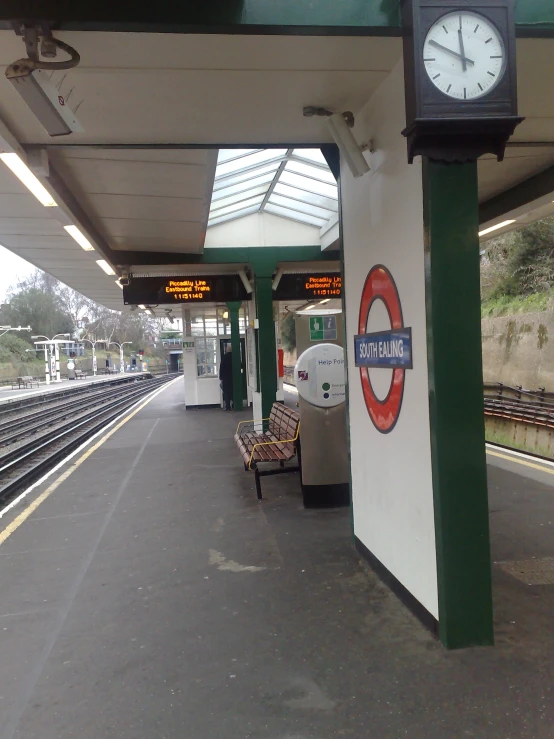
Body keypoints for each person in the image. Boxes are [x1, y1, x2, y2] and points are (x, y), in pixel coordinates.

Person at [219, 344, 233, 411]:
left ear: (227, 349)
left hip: (226, 378)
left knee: (226, 392)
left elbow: (222, 368)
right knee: (233, 391)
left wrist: (221, 377)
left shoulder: (225, 357)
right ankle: (234, 404)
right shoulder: (235, 357)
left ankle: (228, 406)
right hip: (233, 377)